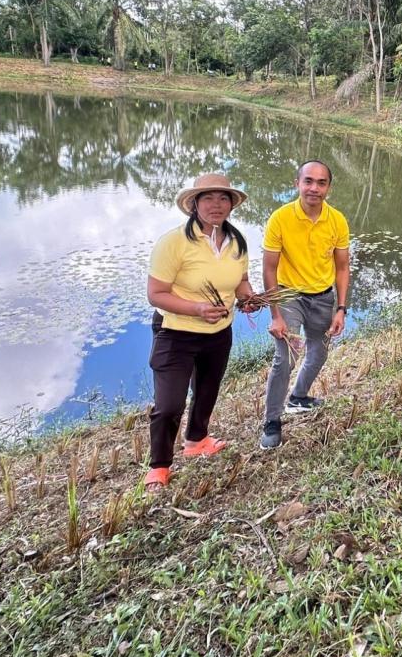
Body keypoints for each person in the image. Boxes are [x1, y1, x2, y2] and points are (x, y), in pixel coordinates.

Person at [144, 174, 255, 492]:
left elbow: (241, 282)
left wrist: (248, 298)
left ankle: (196, 440)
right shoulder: (173, 242)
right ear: (193, 204)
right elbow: (156, 294)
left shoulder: (237, 242)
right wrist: (196, 309)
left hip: (219, 332)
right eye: (208, 198)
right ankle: (159, 466)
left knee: (207, 391)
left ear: (231, 205)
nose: (216, 205)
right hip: (176, 332)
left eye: (224, 199)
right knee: (169, 405)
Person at [260, 160, 350, 450]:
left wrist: (341, 308)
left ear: (329, 188)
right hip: (289, 296)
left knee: (319, 353)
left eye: (321, 183)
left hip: (323, 298)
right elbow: (269, 268)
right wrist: (275, 315)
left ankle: (298, 397)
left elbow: (343, 267)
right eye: (308, 181)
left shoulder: (337, 220)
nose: (314, 188)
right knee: (285, 357)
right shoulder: (280, 218)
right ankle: (271, 421)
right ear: (296, 183)